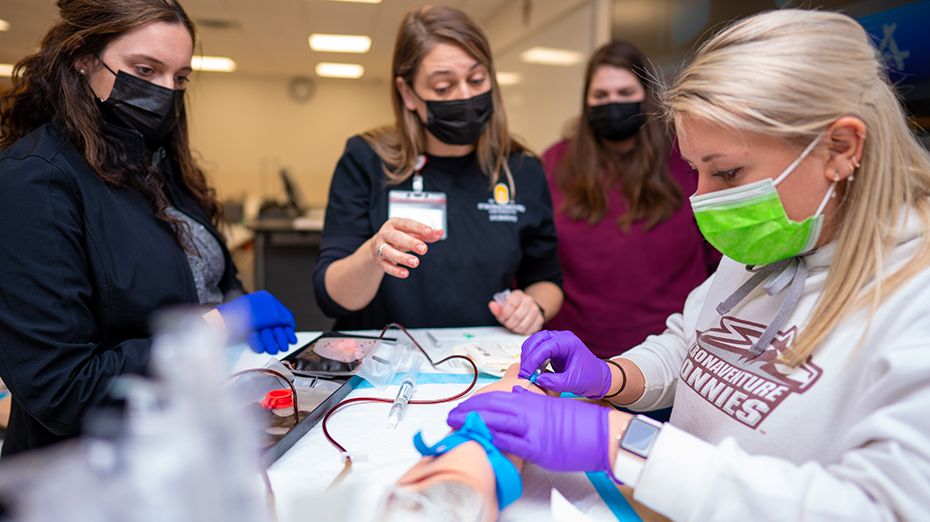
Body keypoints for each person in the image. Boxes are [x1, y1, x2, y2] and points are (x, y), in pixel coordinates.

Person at [448, 9, 930, 521]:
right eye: (694, 171)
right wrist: (611, 377)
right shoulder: (774, 241)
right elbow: (694, 344)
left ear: (840, 148)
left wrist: (618, 442)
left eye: (726, 172)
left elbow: (882, 508)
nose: (702, 200)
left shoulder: (913, 297)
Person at [0, 0, 296, 456]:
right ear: (82, 58)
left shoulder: (155, 162)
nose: (165, 91)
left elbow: (206, 281)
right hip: (94, 472)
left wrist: (238, 308)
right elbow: (62, 390)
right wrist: (216, 328)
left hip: (192, 434)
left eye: (179, 78)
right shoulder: (35, 181)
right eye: (145, 69)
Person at [314, 5, 563, 335]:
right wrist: (374, 254)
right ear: (408, 93)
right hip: (382, 363)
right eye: (444, 87)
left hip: (484, 361)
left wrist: (533, 307)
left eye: (477, 80)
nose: (466, 96)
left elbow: (546, 280)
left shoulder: (522, 170)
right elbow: (331, 297)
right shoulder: (366, 159)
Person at [541, 40, 719, 358]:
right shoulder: (555, 162)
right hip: (572, 351)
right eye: (601, 95)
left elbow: (719, 255)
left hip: (670, 350)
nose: (613, 103)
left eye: (625, 94)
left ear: (646, 95)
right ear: (586, 101)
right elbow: (533, 251)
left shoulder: (686, 159)